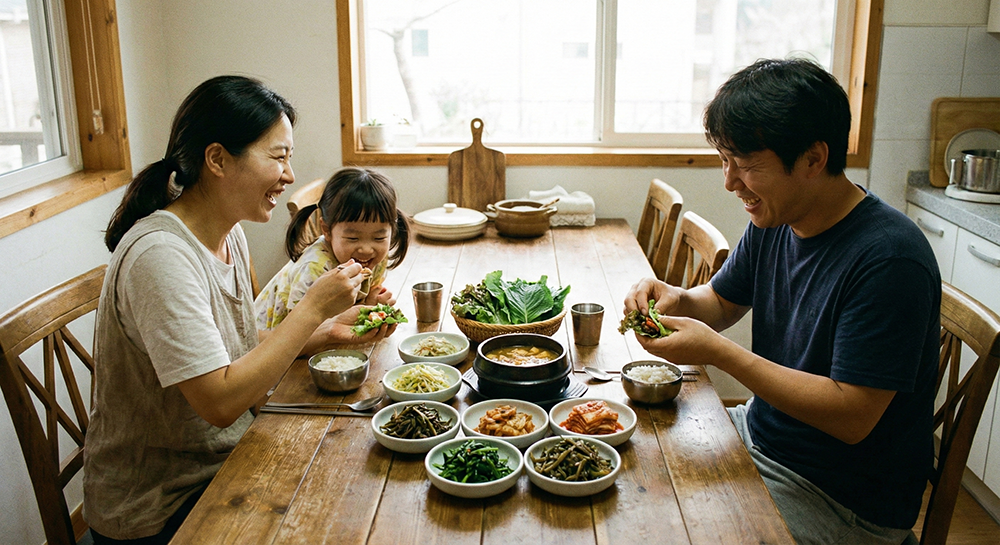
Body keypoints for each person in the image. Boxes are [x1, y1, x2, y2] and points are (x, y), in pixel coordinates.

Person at [623, 58, 940, 544]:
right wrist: (678, 298)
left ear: (813, 158)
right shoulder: (777, 220)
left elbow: (852, 416)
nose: (730, 182)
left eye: (746, 165)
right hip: (762, 436)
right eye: (724, 159)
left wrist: (719, 352)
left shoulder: (889, 259)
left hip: (842, 500)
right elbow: (723, 302)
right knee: (621, 464)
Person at [84, 76, 368, 544]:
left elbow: (238, 345)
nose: (290, 175)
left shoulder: (228, 232)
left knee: (352, 476)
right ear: (217, 159)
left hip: (225, 459)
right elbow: (219, 402)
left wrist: (331, 329)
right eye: (278, 157)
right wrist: (312, 309)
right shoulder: (160, 256)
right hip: (159, 506)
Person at [254, 167, 410, 355]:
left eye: (379, 238)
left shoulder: (373, 259)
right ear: (326, 230)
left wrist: (370, 302)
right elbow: (295, 334)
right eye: (353, 238)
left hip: (323, 340)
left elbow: (354, 306)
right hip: (268, 347)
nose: (367, 249)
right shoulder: (314, 269)